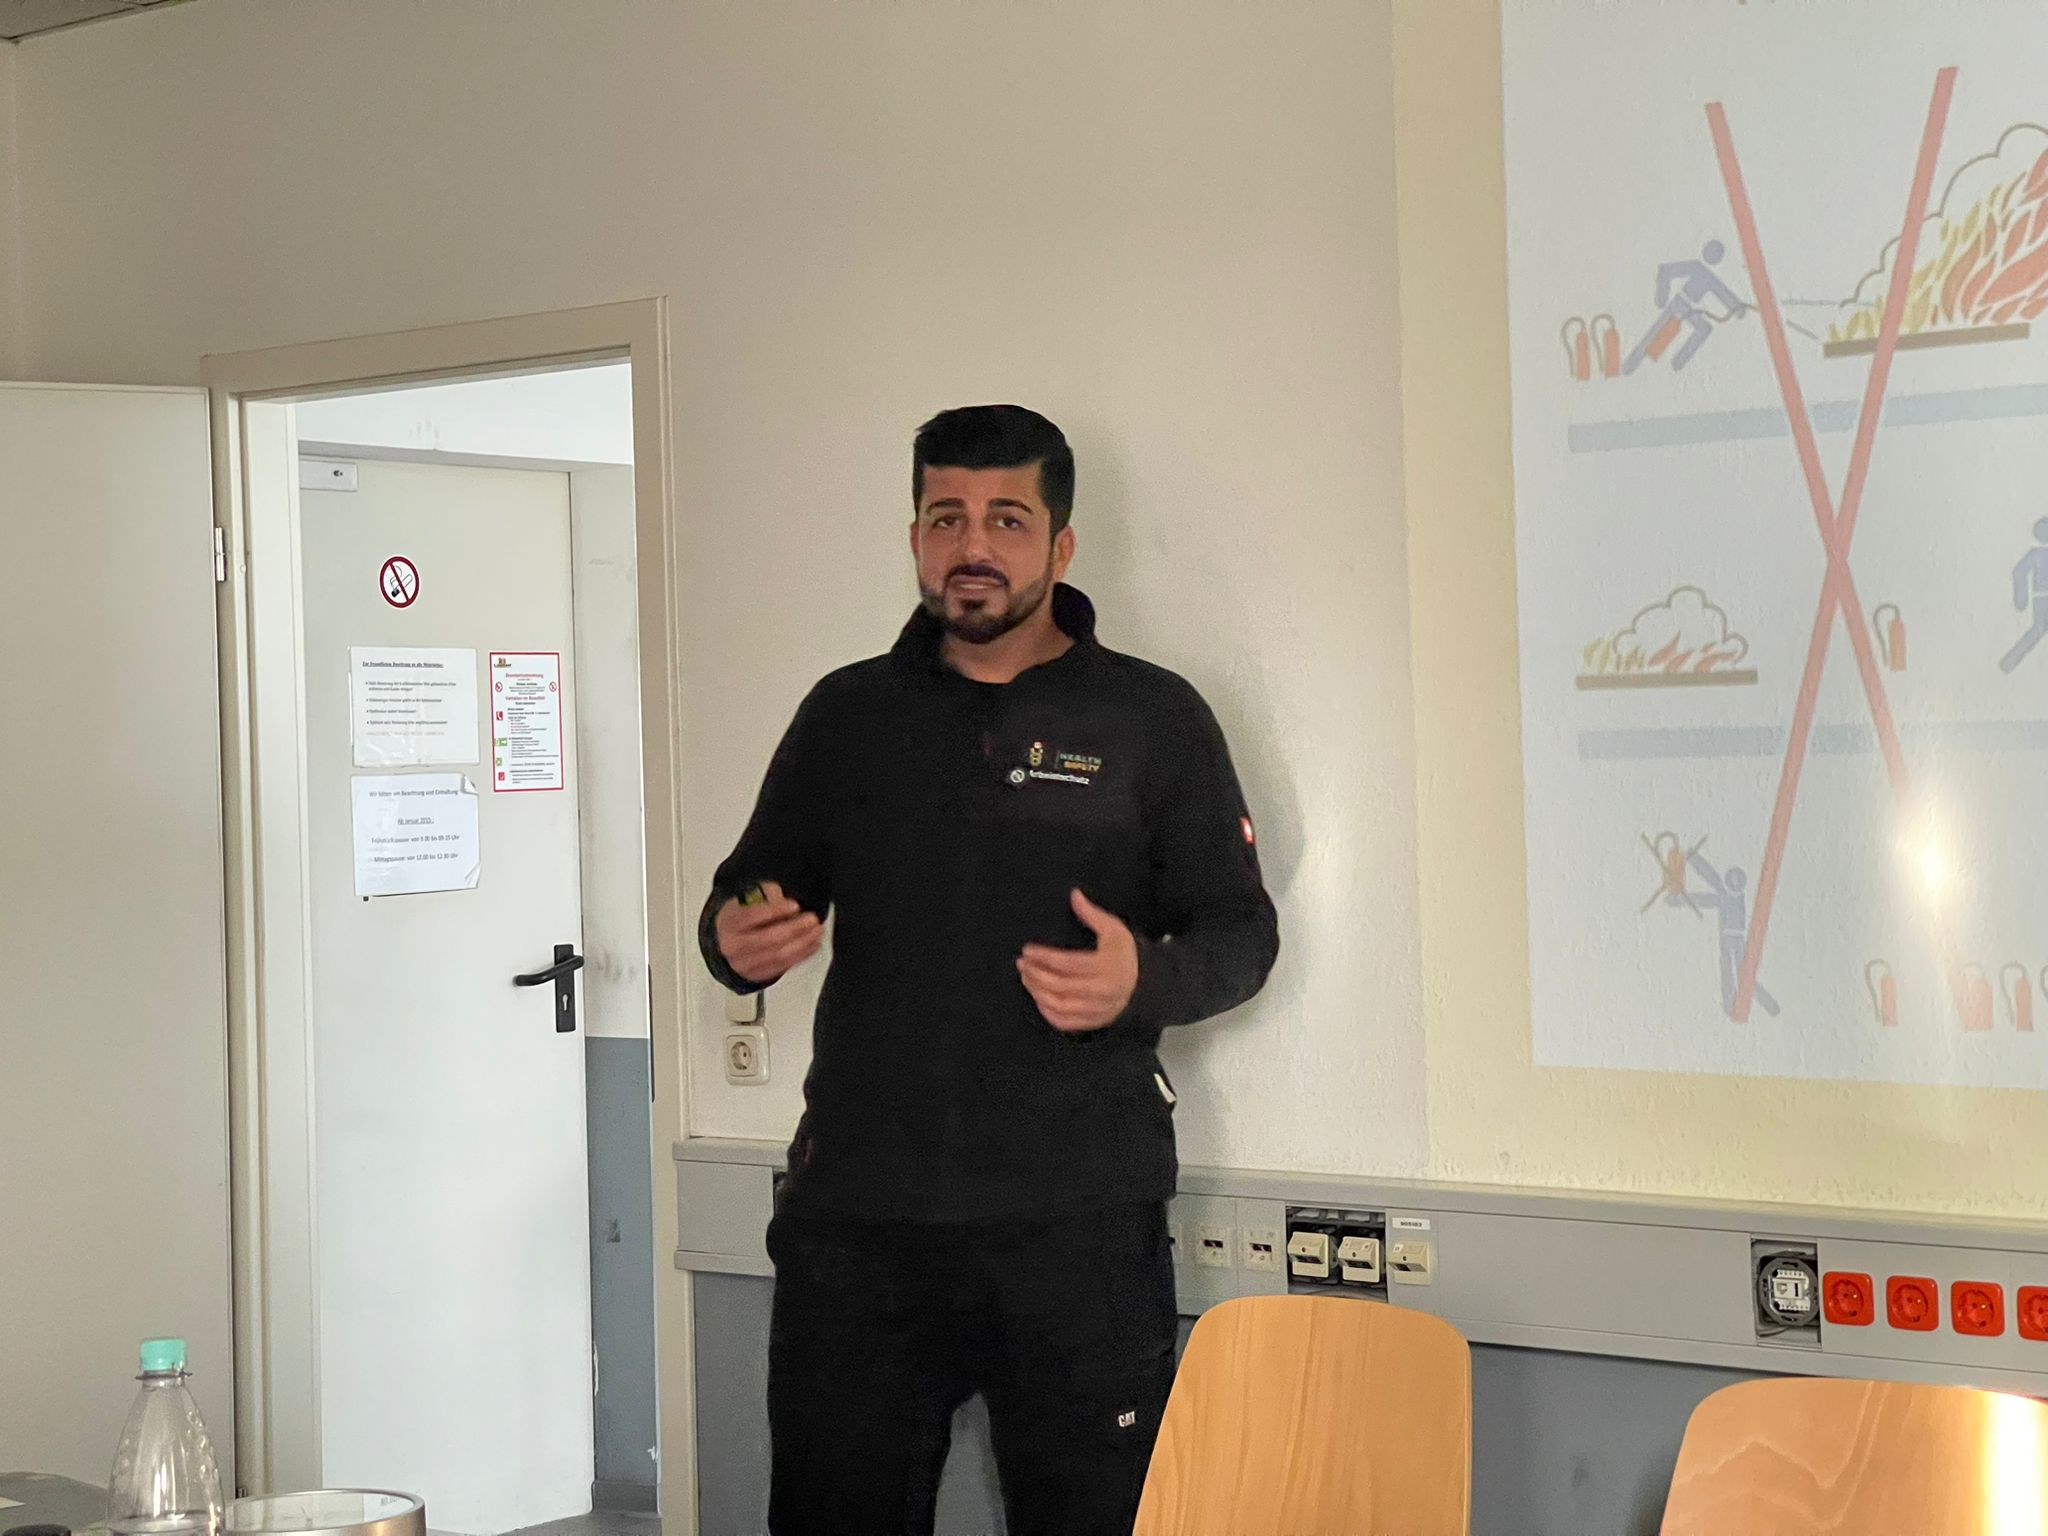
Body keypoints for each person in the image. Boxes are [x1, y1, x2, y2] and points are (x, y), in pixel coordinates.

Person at [700, 404, 1280, 1536]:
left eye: (1006, 519)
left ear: (1060, 545)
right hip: (858, 1231)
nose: (972, 545)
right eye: (945, 517)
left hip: (1075, 1229)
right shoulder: (846, 715)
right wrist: (731, 939)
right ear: (914, 535)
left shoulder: (1151, 718)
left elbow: (1241, 934)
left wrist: (1142, 984)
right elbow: (748, 892)